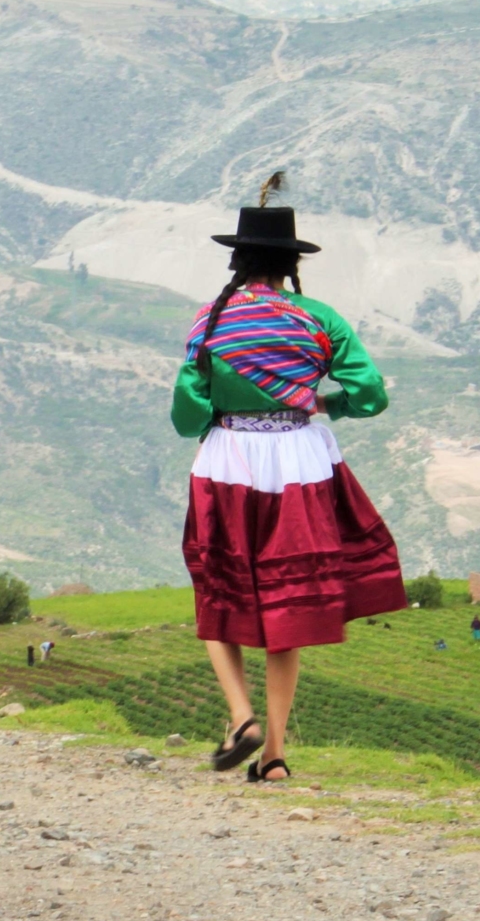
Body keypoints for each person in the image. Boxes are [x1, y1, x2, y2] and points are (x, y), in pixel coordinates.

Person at [171, 177, 408, 783]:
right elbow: (371, 393)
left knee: (217, 590)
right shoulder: (319, 319)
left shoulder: (212, 321)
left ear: (237, 260)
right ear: (291, 264)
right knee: (287, 603)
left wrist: (221, 409)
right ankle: (273, 754)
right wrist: (327, 405)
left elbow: (186, 412)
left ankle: (240, 716)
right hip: (300, 462)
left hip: (229, 464)